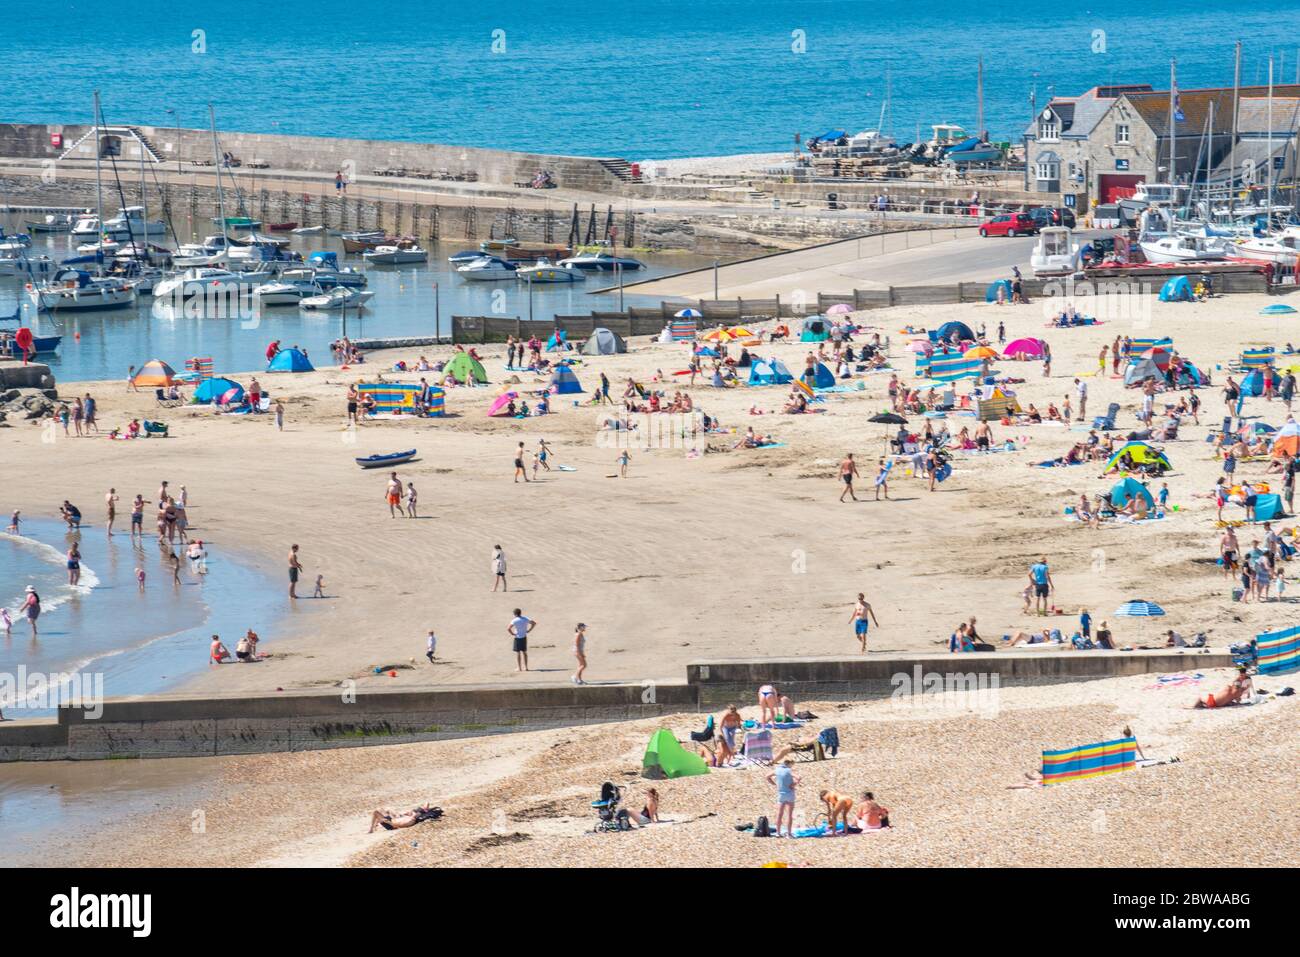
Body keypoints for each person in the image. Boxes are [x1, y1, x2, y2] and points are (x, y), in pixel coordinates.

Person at [766, 759, 800, 839]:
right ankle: (789, 834)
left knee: (779, 814)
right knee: (789, 815)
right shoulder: (789, 770)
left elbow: (767, 776)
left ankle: (778, 833)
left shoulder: (777, 770)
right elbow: (799, 777)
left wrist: (774, 784)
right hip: (790, 794)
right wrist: (794, 784)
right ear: (789, 764)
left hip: (781, 794)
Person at [369, 805, 441, 833]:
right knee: (387, 809)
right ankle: (376, 824)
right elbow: (426, 804)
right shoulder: (412, 817)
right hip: (395, 819)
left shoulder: (411, 820)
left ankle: (372, 829)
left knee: (376, 811)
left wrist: (388, 822)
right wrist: (403, 815)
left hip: (391, 824)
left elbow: (398, 826)